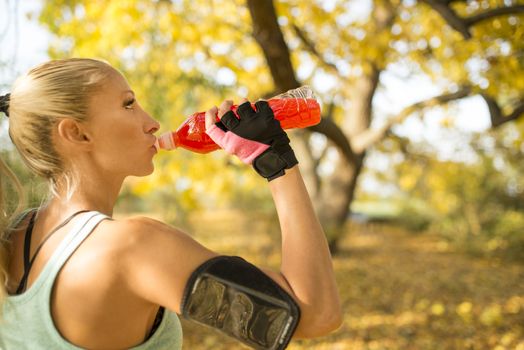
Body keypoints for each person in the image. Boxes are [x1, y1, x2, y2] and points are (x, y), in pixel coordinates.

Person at [0, 58, 341, 349]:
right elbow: (316, 315)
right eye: (128, 104)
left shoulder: (12, 240)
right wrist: (275, 161)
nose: (153, 123)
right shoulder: (133, 247)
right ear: (76, 133)